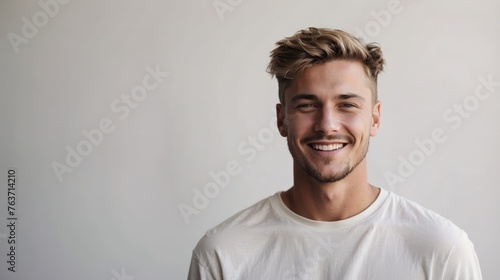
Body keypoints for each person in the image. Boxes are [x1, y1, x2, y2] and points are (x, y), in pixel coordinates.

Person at [187, 27, 482, 279]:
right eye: (307, 105)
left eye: (347, 105)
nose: (327, 126)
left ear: (375, 118)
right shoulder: (223, 253)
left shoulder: (441, 250)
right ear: (281, 119)